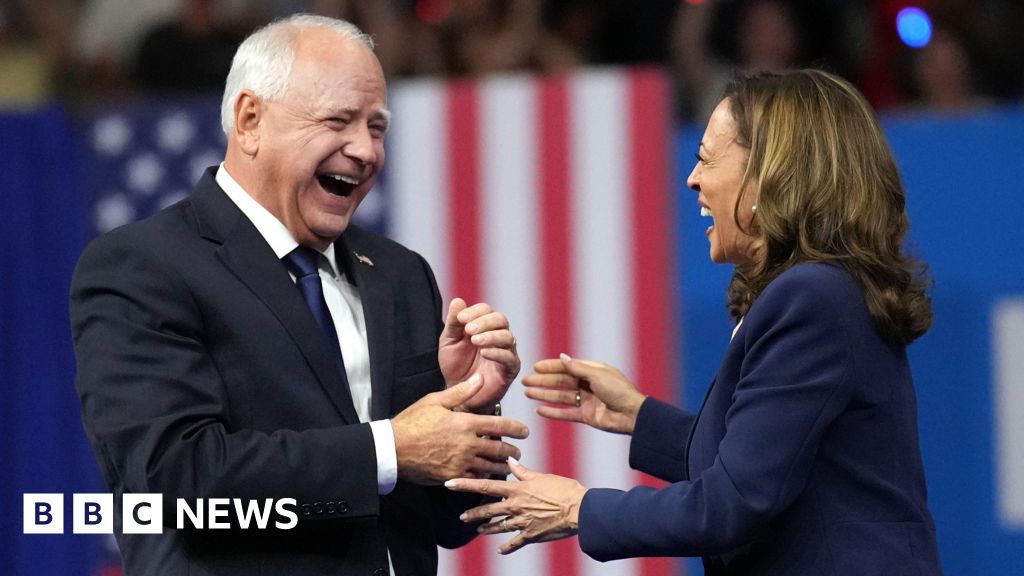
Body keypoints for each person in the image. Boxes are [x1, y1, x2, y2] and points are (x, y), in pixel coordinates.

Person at [71, 14, 529, 576]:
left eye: (378, 127)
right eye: (338, 120)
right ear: (250, 120)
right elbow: (176, 483)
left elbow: (449, 520)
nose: (364, 150)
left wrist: (467, 402)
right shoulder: (144, 266)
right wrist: (390, 449)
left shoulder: (399, 274)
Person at [446, 69, 943, 575]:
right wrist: (640, 417)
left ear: (771, 174)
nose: (693, 179)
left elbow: (733, 502)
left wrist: (578, 506)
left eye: (707, 158)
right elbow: (764, 458)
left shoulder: (811, 297)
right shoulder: (825, 291)